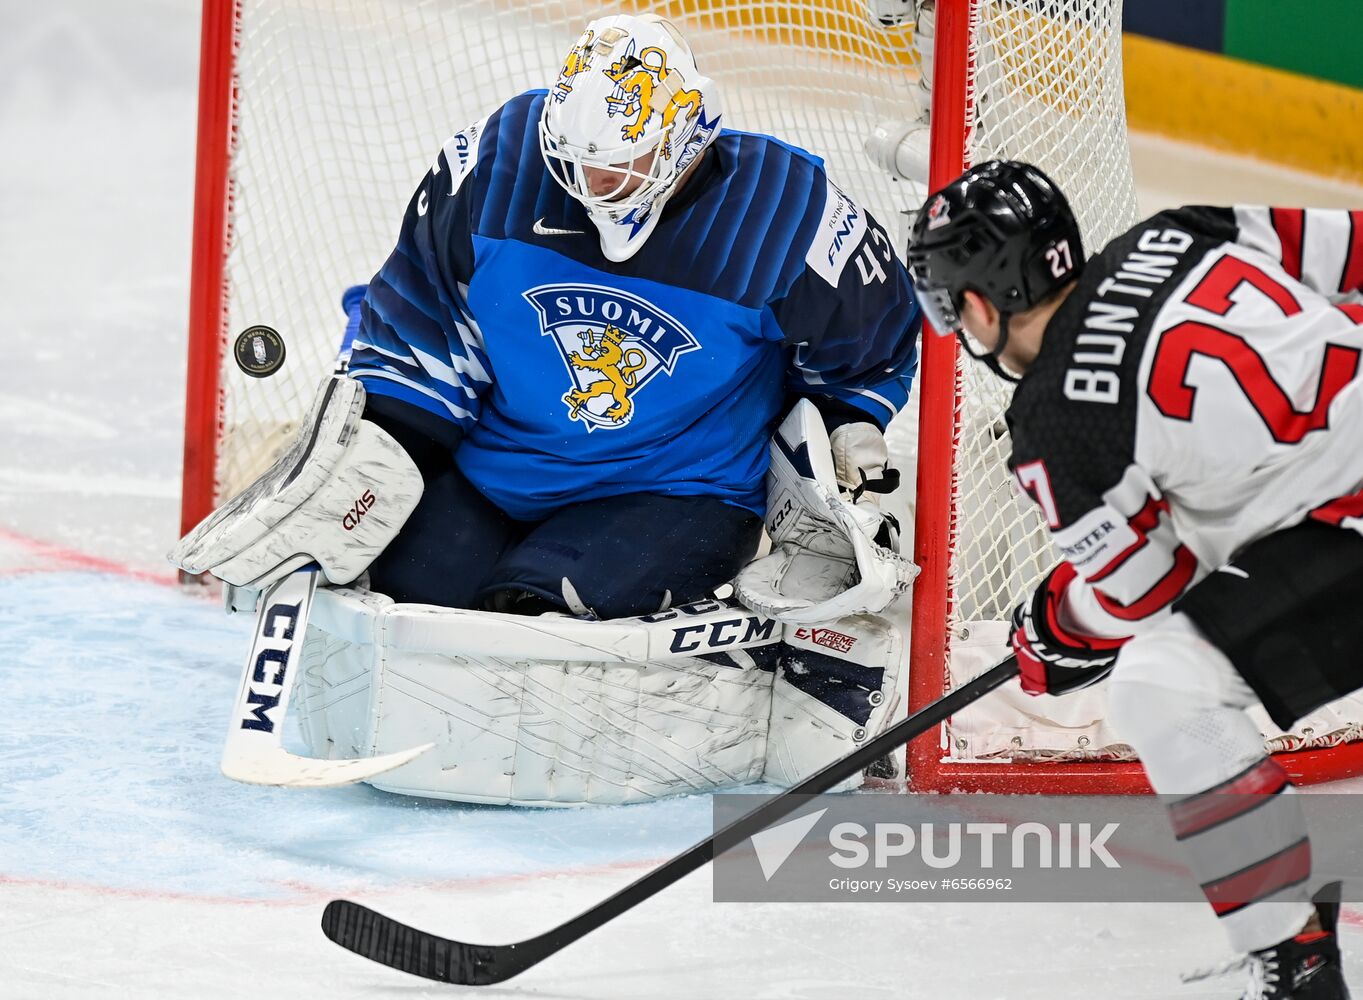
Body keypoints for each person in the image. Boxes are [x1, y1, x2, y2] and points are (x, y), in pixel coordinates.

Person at [906, 160, 1363, 998]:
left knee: (1162, 685)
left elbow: (1144, 592)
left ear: (976, 305)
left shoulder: (1050, 416)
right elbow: (1350, 247)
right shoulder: (1177, 228)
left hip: (1348, 533)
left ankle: (1292, 957)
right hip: (1336, 504)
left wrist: (1055, 625)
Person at [339, 11, 921, 620]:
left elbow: (873, 344)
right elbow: (422, 316)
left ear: (684, 138)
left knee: (536, 625)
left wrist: (845, 420)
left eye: (622, 161)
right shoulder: (498, 161)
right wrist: (379, 449)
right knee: (385, 595)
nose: (595, 181)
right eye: (577, 160)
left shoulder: (786, 211)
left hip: (678, 491)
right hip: (496, 473)